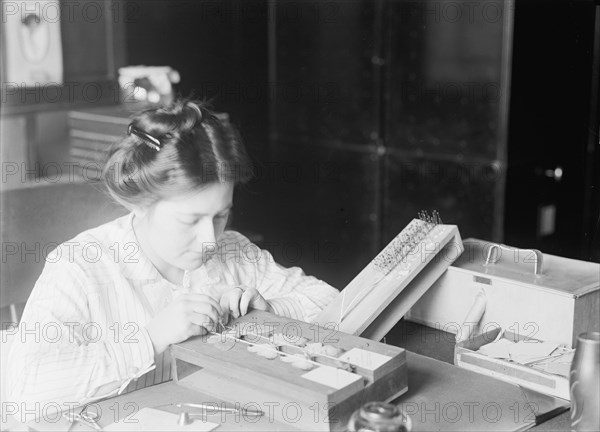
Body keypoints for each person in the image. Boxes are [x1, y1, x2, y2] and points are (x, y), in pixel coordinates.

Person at [5, 99, 339, 413]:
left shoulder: (233, 251)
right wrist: (150, 338)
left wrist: (272, 310)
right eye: (190, 220)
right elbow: (26, 385)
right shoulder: (80, 266)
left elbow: (330, 300)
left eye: (221, 215)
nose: (210, 241)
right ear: (140, 204)